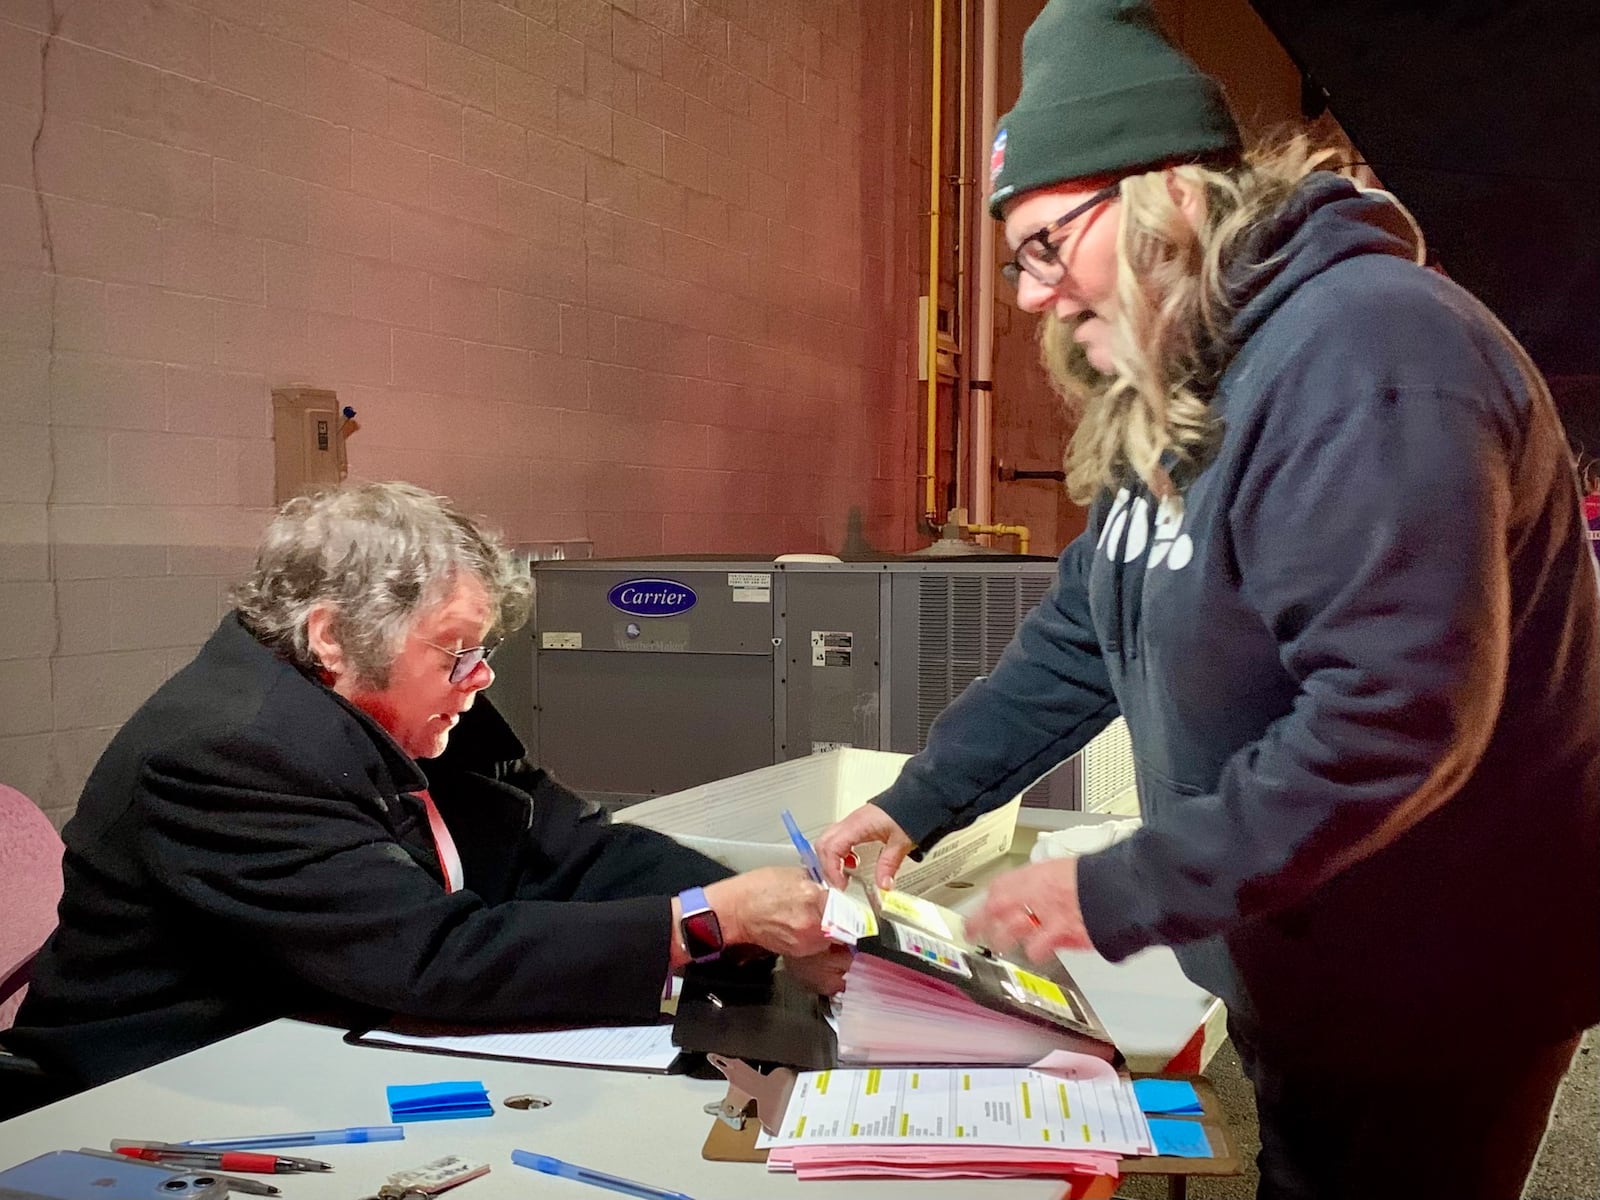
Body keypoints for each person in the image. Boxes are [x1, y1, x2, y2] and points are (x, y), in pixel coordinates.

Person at [815, 3, 1600, 1197]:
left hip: (1434, 979)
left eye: (1043, 244)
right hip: (1310, 952)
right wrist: (917, 804)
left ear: (1165, 196)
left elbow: (1393, 717)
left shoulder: (1370, 353)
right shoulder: (1197, 387)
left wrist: (1118, 888)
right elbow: (1085, 630)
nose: (1029, 296)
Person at [5, 482, 841, 1094]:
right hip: (148, 1087)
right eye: (454, 649)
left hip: (315, 1040)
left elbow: (567, 847)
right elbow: (427, 956)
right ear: (332, 636)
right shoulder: (225, 752)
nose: (477, 679)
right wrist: (700, 924)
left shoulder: (414, 703)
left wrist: (745, 909)